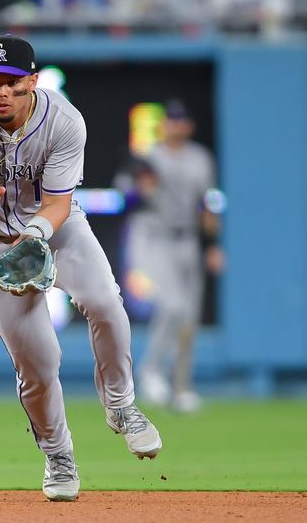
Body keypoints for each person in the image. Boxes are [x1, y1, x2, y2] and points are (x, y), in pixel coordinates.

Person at [0, 35, 162, 502]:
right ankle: (58, 455)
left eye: (13, 82)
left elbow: (58, 203)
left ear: (33, 81)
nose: (1, 92)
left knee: (105, 303)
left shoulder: (64, 121)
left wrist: (33, 239)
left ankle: (121, 407)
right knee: (38, 363)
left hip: (56, 226)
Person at [113, 99, 224, 414]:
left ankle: (182, 386)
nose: (176, 126)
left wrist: (213, 243)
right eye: (171, 120)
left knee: (189, 318)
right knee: (172, 306)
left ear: (189, 125)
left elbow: (209, 203)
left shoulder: (201, 159)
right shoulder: (149, 156)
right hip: (153, 237)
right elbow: (124, 197)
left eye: (181, 120)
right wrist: (141, 188)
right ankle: (149, 372)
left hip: (188, 238)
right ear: (164, 125)